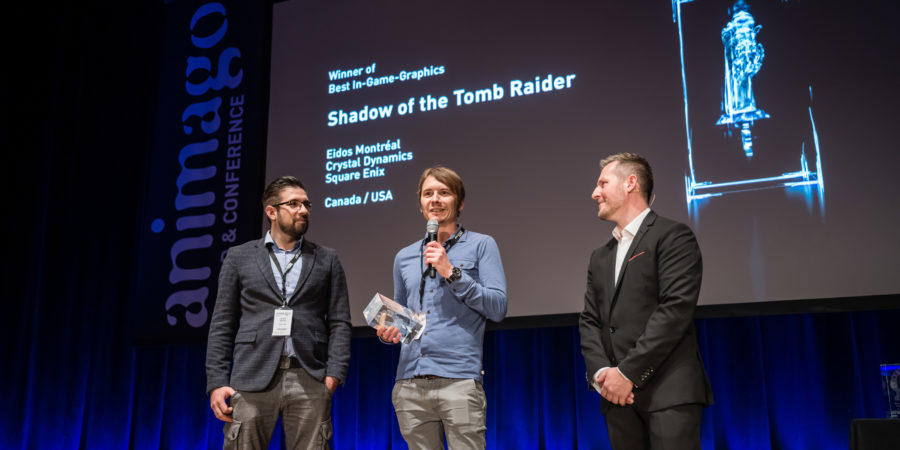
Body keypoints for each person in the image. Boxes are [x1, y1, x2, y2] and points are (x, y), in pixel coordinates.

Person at [206, 176, 351, 450]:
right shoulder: (239, 257)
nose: (303, 210)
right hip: (252, 376)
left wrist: (333, 375)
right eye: (294, 204)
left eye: (306, 204)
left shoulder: (327, 258)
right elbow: (222, 323)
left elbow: (340, 322)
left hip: (309, 377)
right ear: (272, 212)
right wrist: (216, 382)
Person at [579, 153, 713, 450]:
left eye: (603, 183)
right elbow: (589, 320)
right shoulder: (600, 256)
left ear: (630, 183)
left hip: (668, 392)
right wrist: (602, 375)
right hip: (616, 399)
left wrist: (627, 373)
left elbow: (674, 311)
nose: (594, 193)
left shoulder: (673, 236)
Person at [377, 166, 507, 450]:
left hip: (458, 380)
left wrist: (452, 272)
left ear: (460, 203)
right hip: (409, 383)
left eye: (444, 192)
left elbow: (498, 307)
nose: (435, 199)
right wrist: (390, 332)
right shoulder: (404, 257)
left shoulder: (482, 245)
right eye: (428, 194)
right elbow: (403, 317)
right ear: (420, 204)